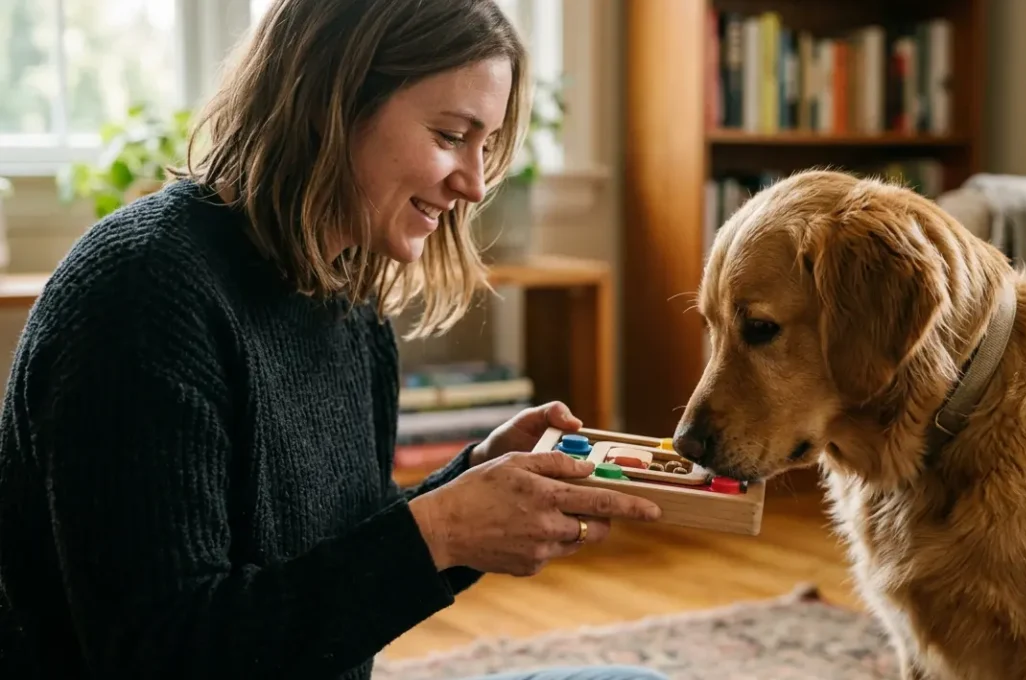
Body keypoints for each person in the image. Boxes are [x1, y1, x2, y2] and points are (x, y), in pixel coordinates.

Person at [0, 1, 669, 678]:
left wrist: (469, 483)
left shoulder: (347, 297)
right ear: (332, 103)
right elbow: (167, 654)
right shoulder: (141, 296)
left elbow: (337, 561)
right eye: (448, 135)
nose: (472, 184)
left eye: (485, 145)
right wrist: (440, 531)